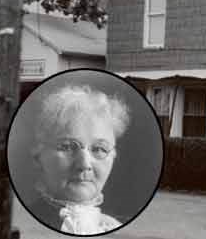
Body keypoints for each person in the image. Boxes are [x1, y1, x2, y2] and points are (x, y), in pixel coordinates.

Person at [29, 85, 130, 235]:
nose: (84, 164)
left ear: (113, 157)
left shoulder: (115, 227)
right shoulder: (27, 226)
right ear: (38, 157)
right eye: (68, 147)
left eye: (99, 149)